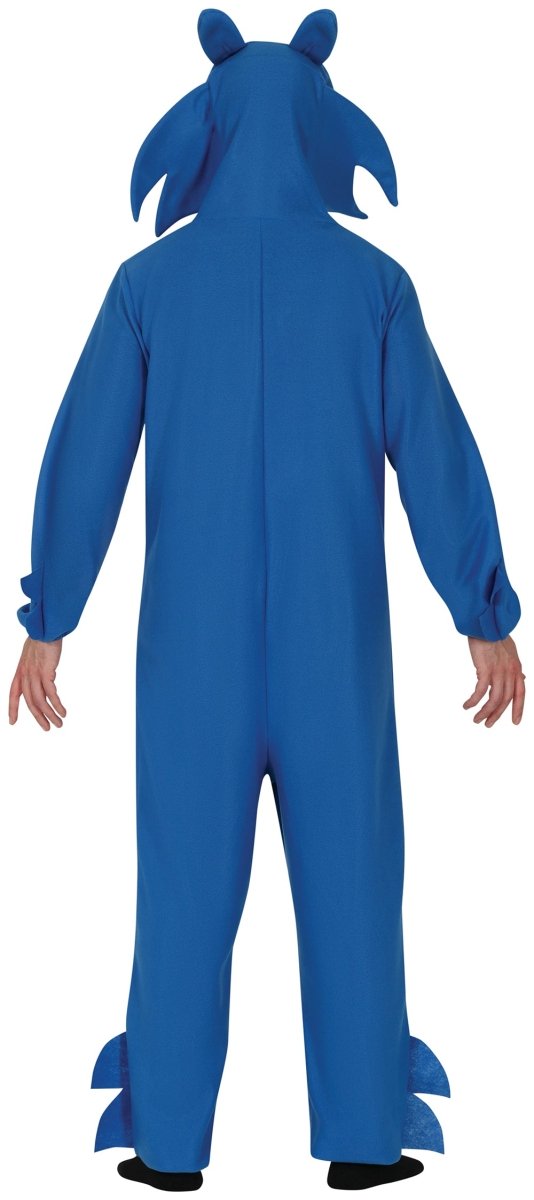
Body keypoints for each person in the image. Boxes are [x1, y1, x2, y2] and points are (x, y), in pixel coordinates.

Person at [8, 7, 525, 1193]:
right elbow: (435, 452)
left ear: (210, 124)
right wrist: (482, 611)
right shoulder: (373, 284)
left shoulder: (148, 285)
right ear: (319, 125)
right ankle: (366, 1139)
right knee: (354, 882)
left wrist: (51, 617)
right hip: (335, 654)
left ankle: (166, 1145)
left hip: (189, 659)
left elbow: (86, 455)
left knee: (182, 888)